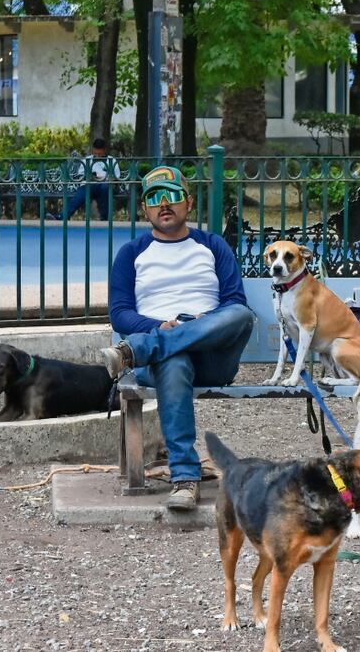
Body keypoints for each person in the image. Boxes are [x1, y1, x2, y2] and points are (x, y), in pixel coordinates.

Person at [102, 165, 255, 511]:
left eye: (172, 196)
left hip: (213, 355)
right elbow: (120, 312)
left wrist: (193, 325)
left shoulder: (211, 245)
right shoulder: (132, 254)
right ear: (145, 209)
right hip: (162, 363)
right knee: (173, 359)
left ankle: (138, 349)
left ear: (187, 203)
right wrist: (162, 325)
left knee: (242, 316)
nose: (164, 205)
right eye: (154, 199)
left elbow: (235, 302)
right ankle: (185, 478)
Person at [61, 138, 121, 220]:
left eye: (100, 154)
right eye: (95, 153)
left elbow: (117, 178)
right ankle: (63, 216)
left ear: (104, 150)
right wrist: (90, 177)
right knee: (82, 192)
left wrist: (105, 179)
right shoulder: (87, 160)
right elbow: (80, 176)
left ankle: (105, 219)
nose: (97, 156)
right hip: (89, 186)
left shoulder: (112, 160)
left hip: (106, 187)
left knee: (104, 188)